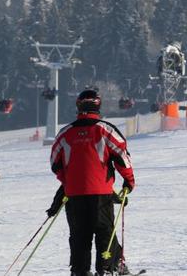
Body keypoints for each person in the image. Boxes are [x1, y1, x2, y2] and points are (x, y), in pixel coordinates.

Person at [49, 89, 135, 276]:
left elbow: (55, 164)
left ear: (78, 106)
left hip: (74, 194)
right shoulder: (106, 130)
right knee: (104, 231)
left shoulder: (64, 134)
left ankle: (80, 271)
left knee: (80, 235)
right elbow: (123, 158)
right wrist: (128, 183)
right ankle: (107, 269)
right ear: (98, 105)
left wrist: (69, 182)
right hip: (101, 193)